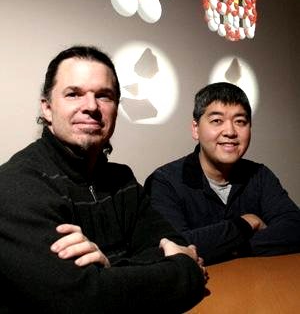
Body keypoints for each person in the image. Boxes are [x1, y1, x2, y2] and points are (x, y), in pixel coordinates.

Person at [0, 45, 207, 313]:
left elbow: (172, 243)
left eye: (104, 96)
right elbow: (82, 301)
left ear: (116, 108)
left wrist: (107, 272)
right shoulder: (16, 186)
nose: (91, 107)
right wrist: (186, 271)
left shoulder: (122, 180)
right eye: (74, 94)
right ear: (47, 108)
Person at [145, 82, 300, 265]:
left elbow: (294, 228)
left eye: (240, 121)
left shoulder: (259, 175)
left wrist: (232, 248)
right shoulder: (164, 182)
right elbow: (174, 248)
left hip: (257, 285)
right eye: (217, 121)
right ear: (196, 129)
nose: (230, 132)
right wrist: (248, 223)